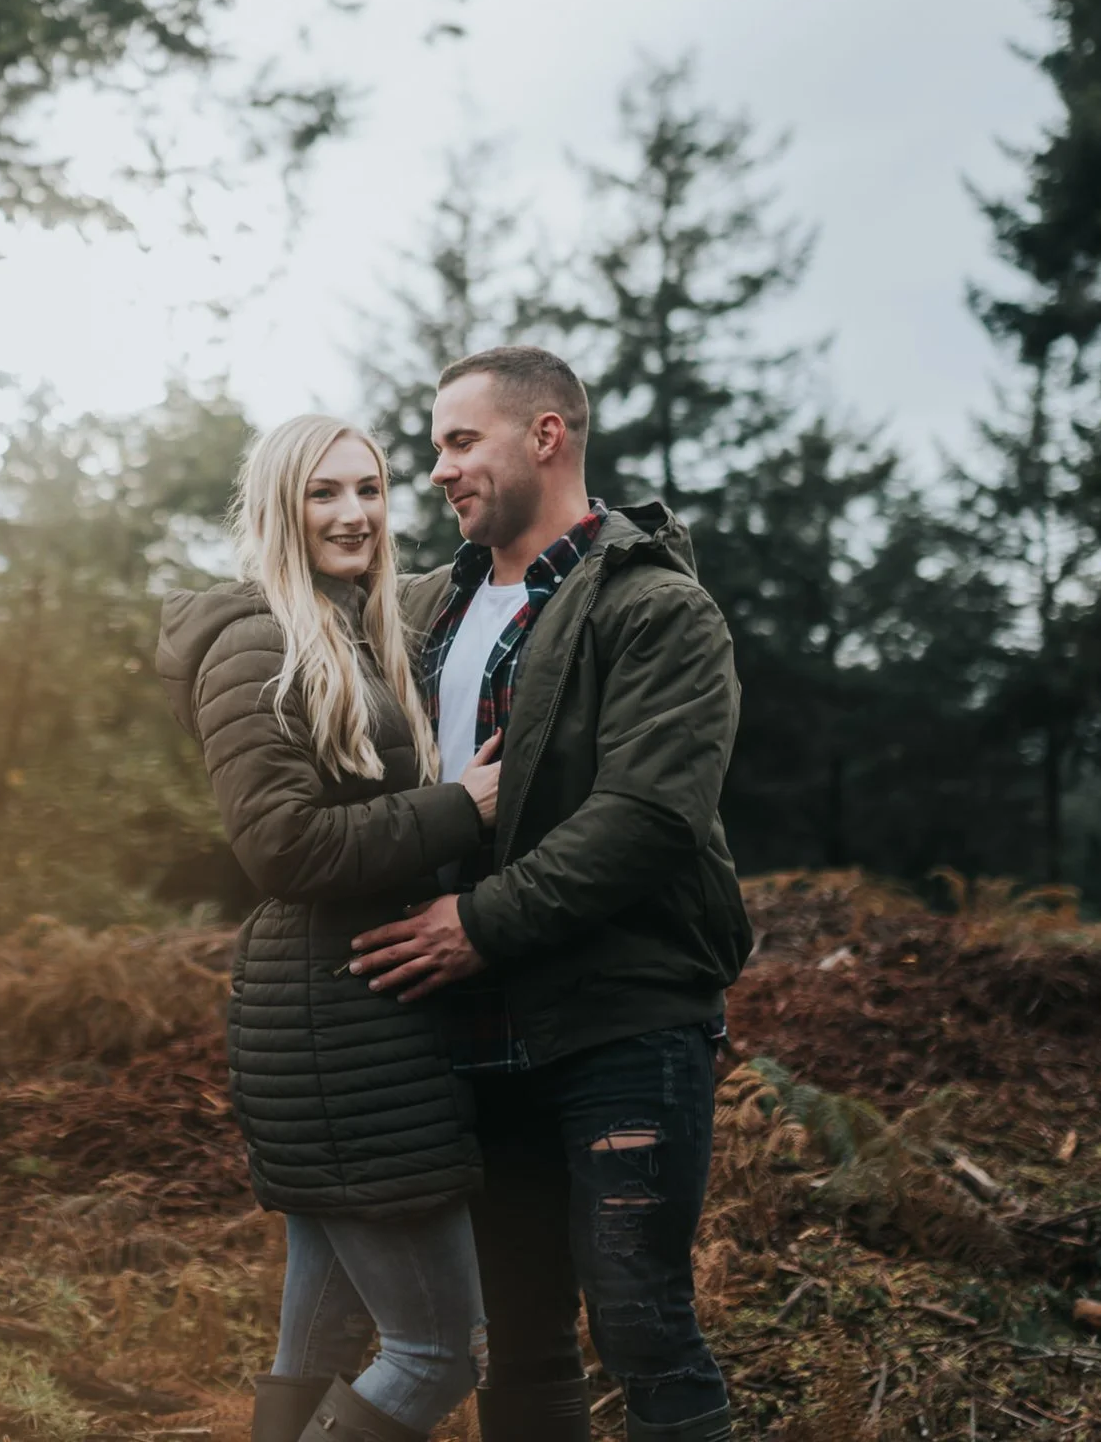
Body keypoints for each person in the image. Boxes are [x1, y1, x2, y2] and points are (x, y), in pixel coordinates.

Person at [347, 347, 753, 1442]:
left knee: (640, 1323)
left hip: (618, 1018)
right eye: (435, 445)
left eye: (458, 440)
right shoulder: (428, 608)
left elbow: (650, 817)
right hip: (466, 1028)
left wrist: (480, 921)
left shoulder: (658, 608)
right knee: (517, 1337)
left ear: (546, 436)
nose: (436, 470)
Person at [157, 414, 506, 1442]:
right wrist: (462, 807)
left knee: (313, 1345)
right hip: (336, 1025)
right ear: (278, 506)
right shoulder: (256, 641)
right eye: (323, 492)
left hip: (352, 1013)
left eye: (367, 489)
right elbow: (280, 846)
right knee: (440, 1351)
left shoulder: (356, 625)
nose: (352, 512)